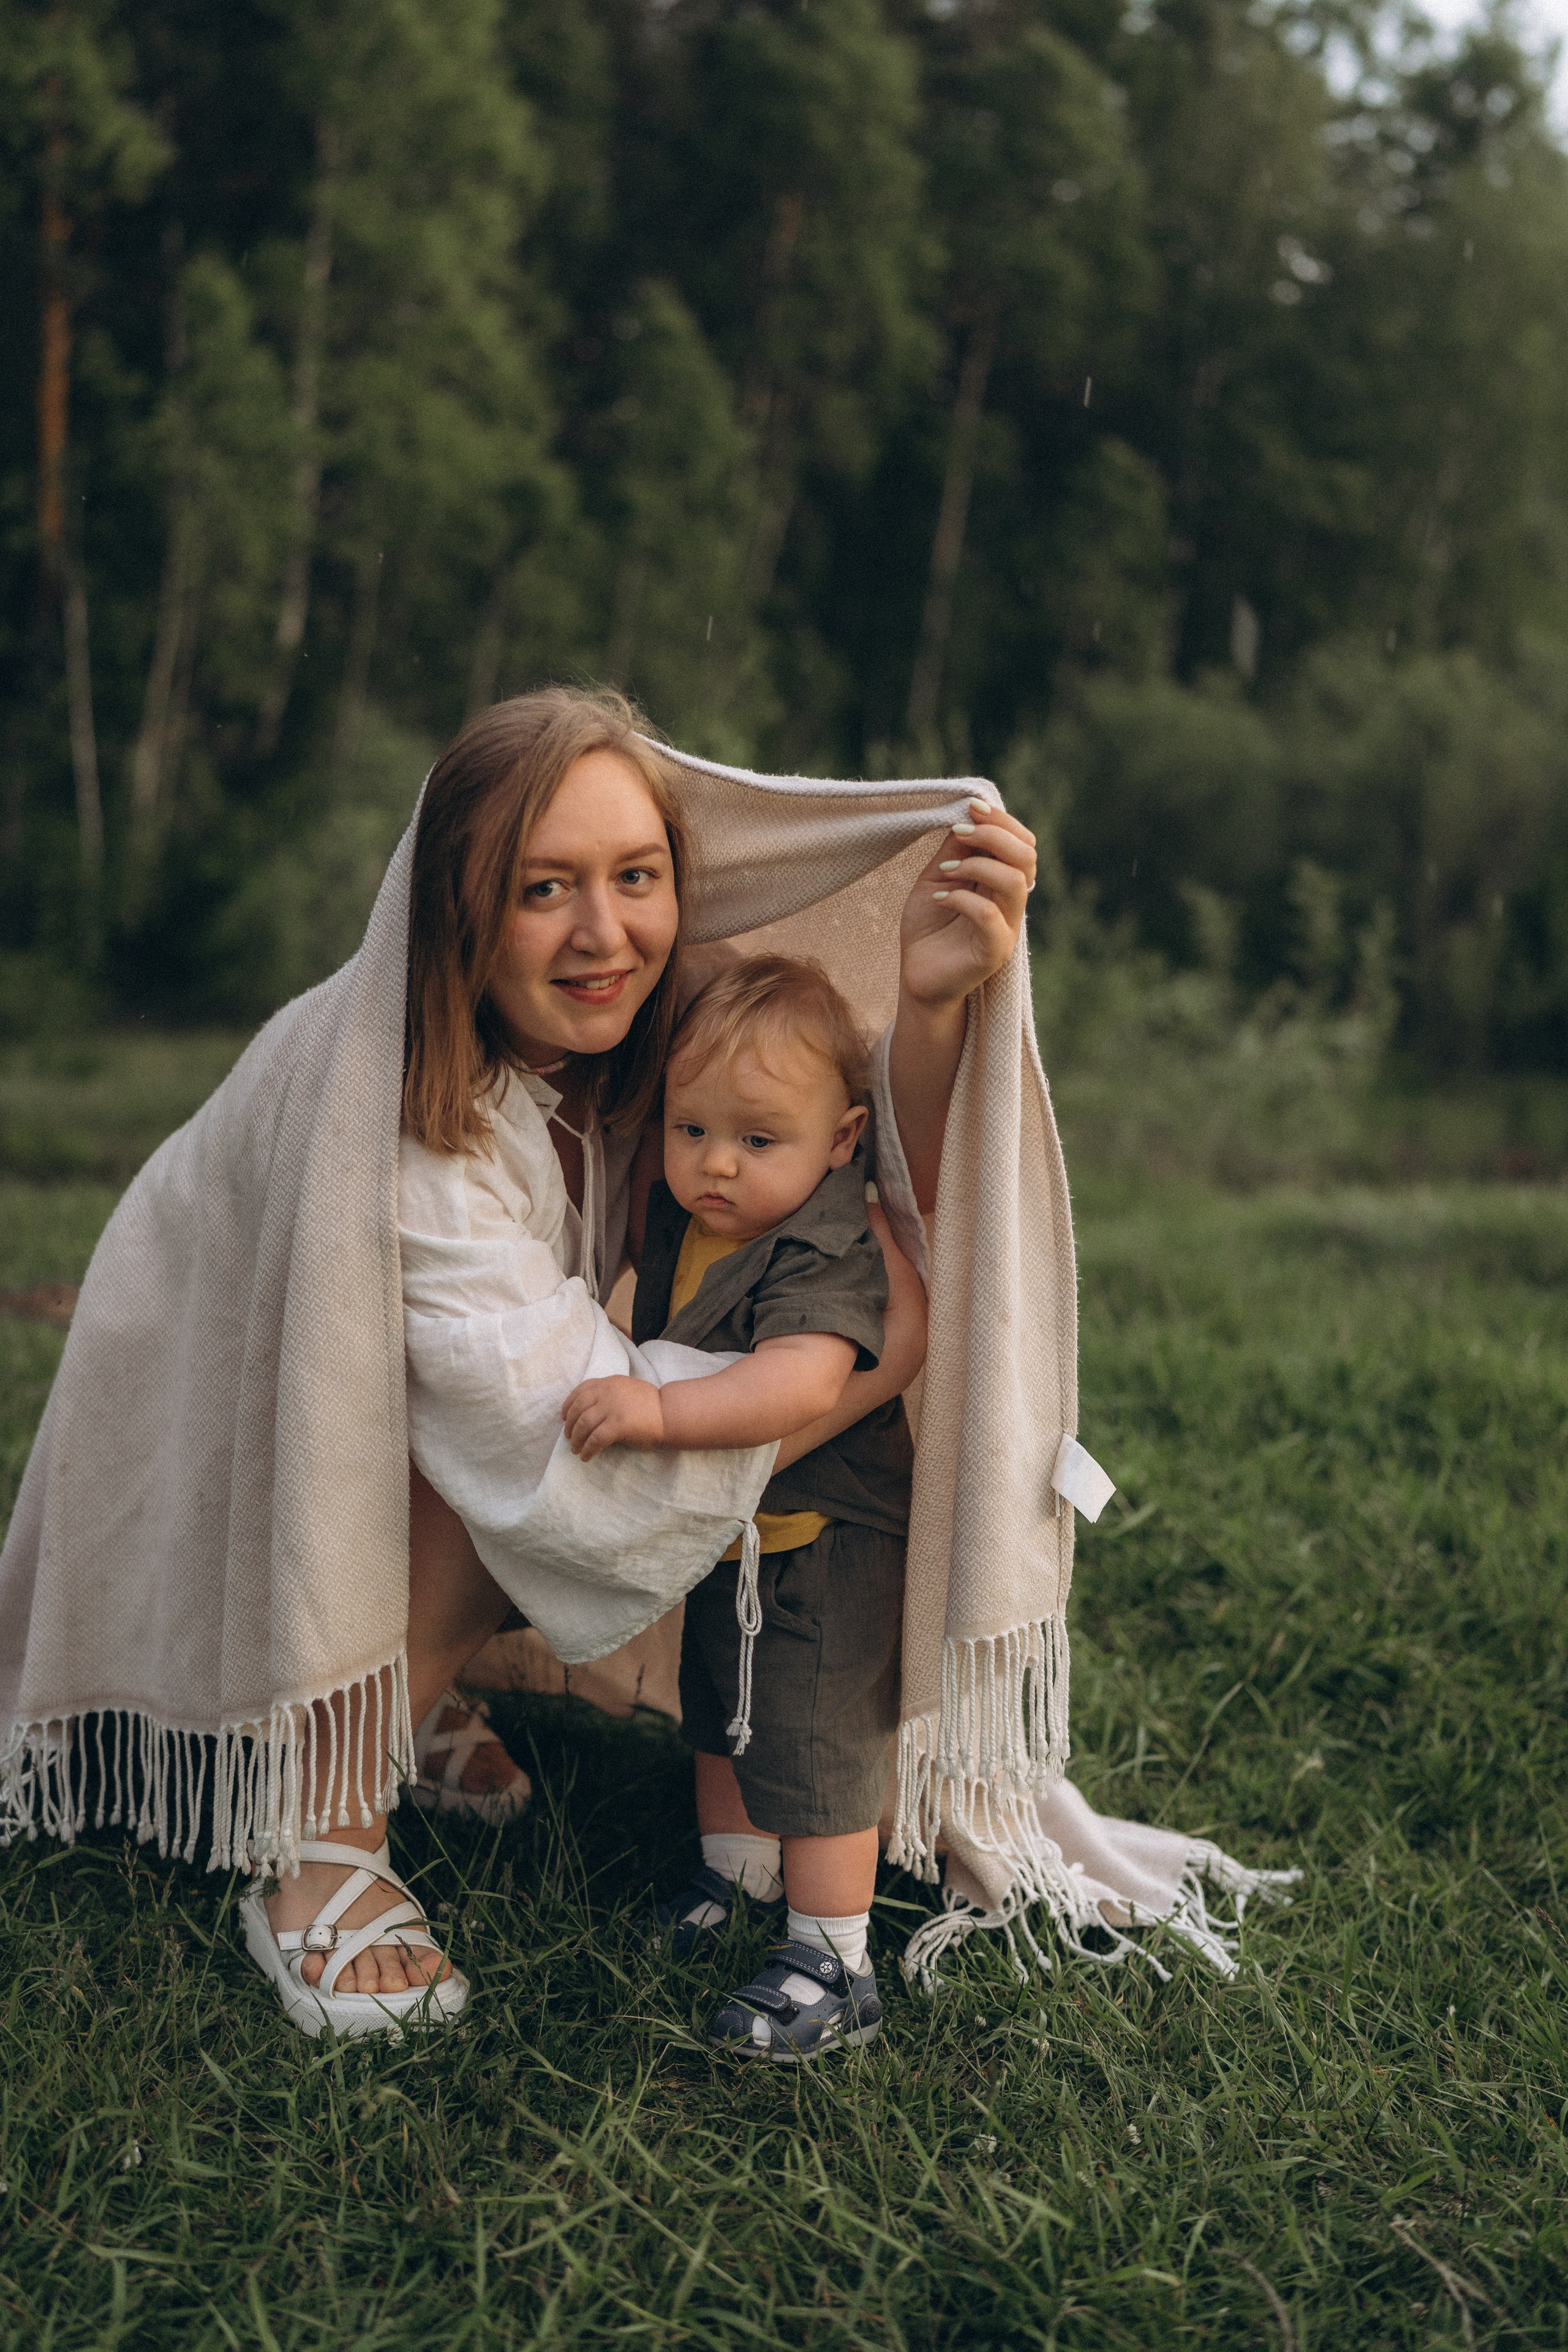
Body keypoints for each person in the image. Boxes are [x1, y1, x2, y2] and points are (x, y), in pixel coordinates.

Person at [0, 685, 1038, 2040]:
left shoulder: (637, 1021)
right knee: (513, 1482)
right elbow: (561, 1452)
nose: (604, 933)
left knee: (567, 1432)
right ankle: (315, 1841)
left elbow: (862, 1165)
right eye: (543, 887)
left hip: (410, 1392)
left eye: (636, 877)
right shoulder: (399, 1127)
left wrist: (930, 1002)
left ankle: (395, 1693)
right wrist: (868, 1360)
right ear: (458, 909)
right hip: (219, 1395)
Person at [562, 954, 913, 2061]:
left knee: (814, 1740)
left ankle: (834, 1955)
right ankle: (735, 1871)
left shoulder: (823, 1236)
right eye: (692, 1130)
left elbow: (805, 1380)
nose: (717, 1166)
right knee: (720, 1703)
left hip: (825, 1541)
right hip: (739, 1540)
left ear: (841, 1140)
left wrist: (661, 1418)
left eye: (758, 1141)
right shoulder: (688, 1217)